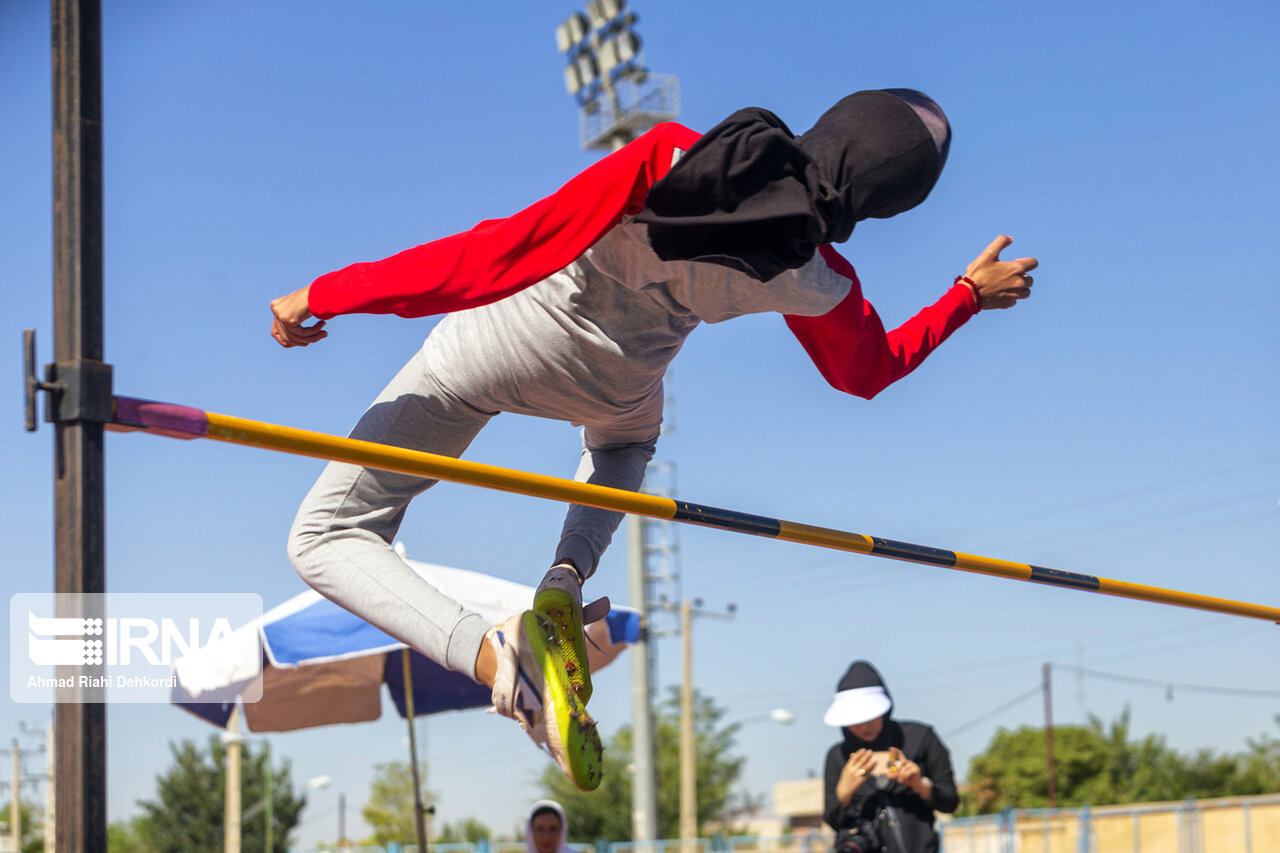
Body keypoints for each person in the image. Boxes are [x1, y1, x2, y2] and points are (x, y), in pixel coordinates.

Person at [268, 89, 1038, 792]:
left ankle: (494, 654)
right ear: (886, 204)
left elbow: (498, 252)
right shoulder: (820, 275)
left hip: (491, 350)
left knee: (326, 536)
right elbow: (869, 372)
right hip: (619, 385)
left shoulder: (677, 155)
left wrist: (330, 291)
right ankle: (561, 583)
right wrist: (966, 296)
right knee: (623, 449)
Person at [823, 660, 959, 853]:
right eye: (855, 719)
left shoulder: (921, 738)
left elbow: (950, 802)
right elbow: (832, 820)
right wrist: (843, 795)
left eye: (870, 715)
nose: (864, 725)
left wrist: (921, 786)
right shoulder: (838, 756)